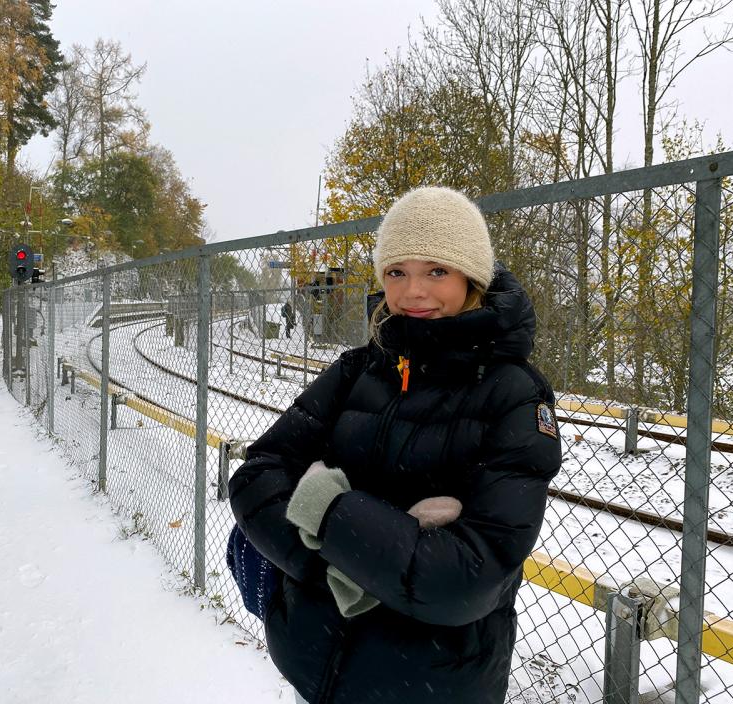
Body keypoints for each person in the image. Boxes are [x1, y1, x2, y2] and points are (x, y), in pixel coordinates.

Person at [229, 186, 562, 704]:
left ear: (471, 276)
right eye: (396, 272)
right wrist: (347, 566)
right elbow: (257, 476)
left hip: (432, 684)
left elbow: (468, 579)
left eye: (436, 271)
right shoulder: (356, 370)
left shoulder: (513, 394)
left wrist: (329, 510)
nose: (412, 293)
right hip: (313, 665)